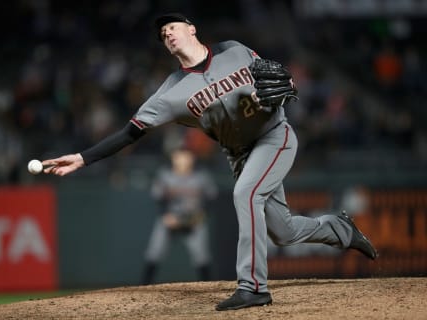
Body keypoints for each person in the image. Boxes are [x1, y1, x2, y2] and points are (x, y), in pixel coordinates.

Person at [42, 13, 378, 311]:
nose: (168, 34)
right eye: (162, 35)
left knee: (245, 195)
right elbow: (130, 133)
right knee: (283, 231)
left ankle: (253, 287)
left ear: (191, 28)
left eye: (172, 27)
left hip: (274, 136)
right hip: (240, 154)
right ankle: (339, 228)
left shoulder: (234, 49)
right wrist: (83, 158)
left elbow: (277, 78)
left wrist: (287, 85)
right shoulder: (169, 93)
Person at [141, 146, 218, 285]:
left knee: (202, 256)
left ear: (192, 158)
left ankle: (208, 288)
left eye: (186, 156)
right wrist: (165, 215)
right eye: (180, 156)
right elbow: (158, 198)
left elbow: (211, 199)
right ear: (174, 158)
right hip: (171, 218)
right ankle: (143, 287)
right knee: (154, 252)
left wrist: (202, 215)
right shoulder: (165, 175)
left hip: (194, 220)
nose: (183, 160)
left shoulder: (201, 176)